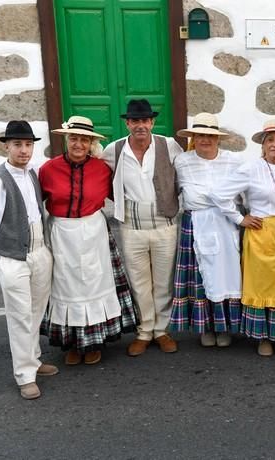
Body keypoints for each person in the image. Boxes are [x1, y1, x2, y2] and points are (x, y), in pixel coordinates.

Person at [39, 116, 138, 365]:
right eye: (74, 138)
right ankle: (72, 343)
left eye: (84, 140)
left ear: (91, 143)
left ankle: (94, 341)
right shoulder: (48, 170)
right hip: (61, 233)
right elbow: (33, 204)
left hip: (93, 232)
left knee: (94, 283)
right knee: (65, 286)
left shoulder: (102, 169)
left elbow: (124, 196)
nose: (78, 144)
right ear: (66, 139)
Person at [209, 119, 275, 357]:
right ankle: (263, 337)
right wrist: (239, 218)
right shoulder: (250, 168)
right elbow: (218, 194)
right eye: (271, 140)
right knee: (261, 286)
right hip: (260, 233)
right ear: (263, 145)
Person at [0, 121, 57, 399]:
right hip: (12, 256)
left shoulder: (33, 173)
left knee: (36, 310)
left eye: (28, 144)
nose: (24, 150)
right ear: (6, 146)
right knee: (19, 315)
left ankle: (33, 359)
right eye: (18, 145)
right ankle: (24, 375)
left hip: (38, 250)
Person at [103, 99, 184, 356]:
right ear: (127, 123)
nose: (140, 125)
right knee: (139, 282)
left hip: (164, 224)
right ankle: (144, 331)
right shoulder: (113, 150)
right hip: (132, 226)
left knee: (163, 281)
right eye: (135, 121)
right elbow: (97, 174)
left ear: (152, 122)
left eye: (145, 120)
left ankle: (161, 331)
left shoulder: (168, 145)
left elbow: (186, 172)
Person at [169, 113, 243, 347]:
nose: (205, 140)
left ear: (217, 139)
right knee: (200, 277)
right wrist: (214, 197)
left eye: (210, 136)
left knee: (226, 275)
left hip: (225, 224)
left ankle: (224, 328)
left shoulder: (233, 161)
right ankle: (205, 327)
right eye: (200, 135)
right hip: (195, 224)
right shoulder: (182, 161)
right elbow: (178, 192)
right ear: (194, 137)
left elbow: (245, 191)